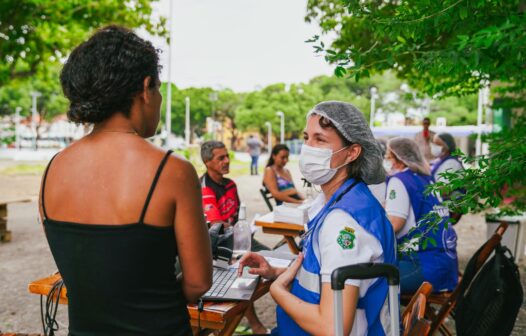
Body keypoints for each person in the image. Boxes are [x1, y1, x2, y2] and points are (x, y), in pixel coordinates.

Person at [39, 26, 212, 335]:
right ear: (145, 88)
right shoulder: (173, 171)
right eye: (158, 89)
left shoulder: (53, 170)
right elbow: (198, 282)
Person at [239, 101, 396, 335]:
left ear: (352, 152)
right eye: (306, 138)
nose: (308, 148)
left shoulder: (343, 222)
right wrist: (275, 273)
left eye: (320, 140)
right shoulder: (342, 199)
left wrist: (278, 291)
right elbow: (327, 276)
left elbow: (333, 328)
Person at [199, 140, 268, 334]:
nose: (227, 161)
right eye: (221, 158)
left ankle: (250, 325)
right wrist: (238, 228)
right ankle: (250, 326)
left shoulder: (230, 184)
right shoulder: (204, 188)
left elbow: (238, 217)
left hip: (240, 238)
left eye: (227, 156)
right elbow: (217, 227)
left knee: (273, 262)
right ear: (207, 161)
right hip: (219, 247)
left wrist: (244, 227)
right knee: (244, 280)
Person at [384, 137, 458, 294]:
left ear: (398, 158)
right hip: (446, 266)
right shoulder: (425, 178)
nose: (387, 160)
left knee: (367, 283)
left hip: (424, 266)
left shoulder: (399, 180)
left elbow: (394, 225)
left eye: (388, 156)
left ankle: (391, 319)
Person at [430, 132, 465, 222]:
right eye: (434, 143)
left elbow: (444, 190)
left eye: (438, 144)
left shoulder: (451, 164)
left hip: (447, 209)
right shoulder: (439, 160)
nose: (434, 146)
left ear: (447, 146)